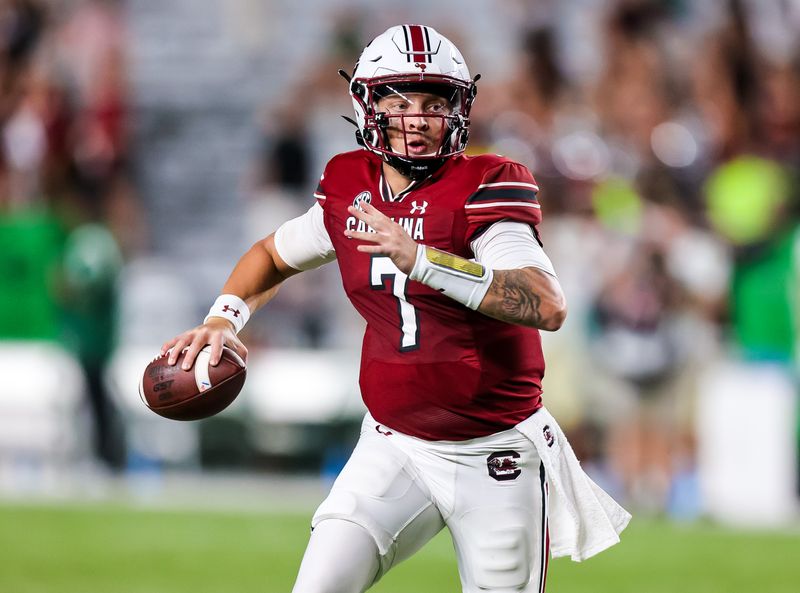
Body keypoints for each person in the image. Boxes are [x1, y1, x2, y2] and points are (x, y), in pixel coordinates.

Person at [161, 24, 630, 593]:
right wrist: (223, 319)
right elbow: (274, 255)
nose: (417, 118)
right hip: (394, 445)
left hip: (496, 454)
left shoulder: (487, 185)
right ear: (367, 105)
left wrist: (423, 259)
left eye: (435, 102)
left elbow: (544, 301)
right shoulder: (348, 186)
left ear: (458, 111)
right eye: (399, 100)